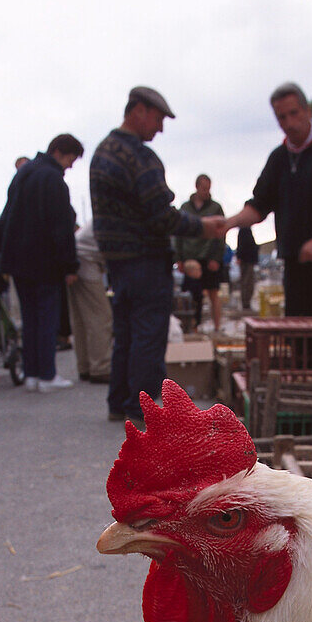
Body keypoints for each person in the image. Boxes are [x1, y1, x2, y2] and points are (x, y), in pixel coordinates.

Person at [89, 85, 225, 426]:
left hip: (117, 262)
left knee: (126, 334)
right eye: (159, 118)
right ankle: (143, 409)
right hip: (146, 260)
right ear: (139, 111)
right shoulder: (141, 158)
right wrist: (203, 228)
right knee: (149, 335)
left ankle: (119, 401)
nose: (160, 128)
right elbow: (161, 216)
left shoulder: (103, 152)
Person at [223, 82, 312, 317]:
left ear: (307, 111)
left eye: (293, 114)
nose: (288, 123)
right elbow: (260, 204)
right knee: (297, 335)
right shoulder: (279, 159)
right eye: (281, 118)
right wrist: (230, 222)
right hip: (297, 262)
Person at [0, 133, 83, 392]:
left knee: (29, 318)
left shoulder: (22, 174)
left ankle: (31, 373)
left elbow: (7, 217)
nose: (70, 165)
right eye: (71, 158)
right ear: (59, 151)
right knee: (47, 318)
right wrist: (69, 265)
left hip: (18, 260)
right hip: (45, 261)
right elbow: (62, 226)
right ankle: (48, 375)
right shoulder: (54, 180)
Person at [174, 174, 226, 331]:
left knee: (213, 293)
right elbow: (178, 233)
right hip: (190, 257)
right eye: (204, 188)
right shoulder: (185, 208)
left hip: (209, 256)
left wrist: (216, 258)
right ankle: (192, 327)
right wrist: (179, 258)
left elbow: (221, 234)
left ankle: (217, 327)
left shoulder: (215, 208)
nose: (206, 191)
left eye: (208, 188)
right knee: (191, 295)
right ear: (197, 187)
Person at [67, 220, 112, 383]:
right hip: (87, 258)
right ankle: (101, 366)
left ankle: (85, 365)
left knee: (81, 317)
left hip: (77, 255)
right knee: (100, 315)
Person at [236, 227, 259, 311]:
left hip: (247, 260)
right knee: (247, 282)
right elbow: (242, 245)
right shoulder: (244, 230)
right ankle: (246, 304)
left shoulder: (245, 230)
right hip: (247, 260)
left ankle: (246, 303)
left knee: (247, 282)